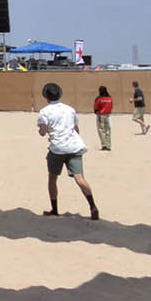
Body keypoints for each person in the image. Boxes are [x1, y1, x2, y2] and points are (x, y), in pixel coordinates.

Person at [35, 82, 100, 221]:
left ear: (46, 96)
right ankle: (92, 206)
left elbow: (43, 132)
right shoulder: (70, 109)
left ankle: (55, 209)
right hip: (74, 146)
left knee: (52, 178)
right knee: (80, 179)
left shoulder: (44, 111)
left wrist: (44, 131)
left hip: (57, 148)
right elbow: (76, 129)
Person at [92, 86, 114, 151]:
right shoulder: (110, 98)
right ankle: (109, 145)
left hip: (100, 115)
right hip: (108, 115)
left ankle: (104, 145)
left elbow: (96, 107)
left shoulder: (99, 98)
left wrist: (96, 112)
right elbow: (111, 106)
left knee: (101, 130)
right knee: (108, 130)